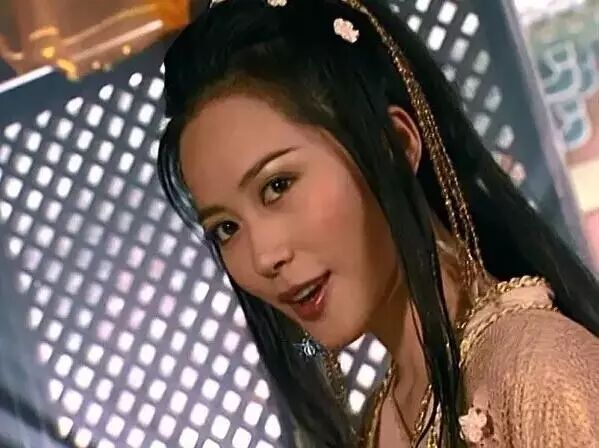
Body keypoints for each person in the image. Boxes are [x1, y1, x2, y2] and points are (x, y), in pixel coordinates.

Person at [156, 0, 599, 446]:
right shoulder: (381, 418)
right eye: (226, 228)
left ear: (396, 145)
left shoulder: (541, 375)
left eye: (278, 185)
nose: (263, 257)